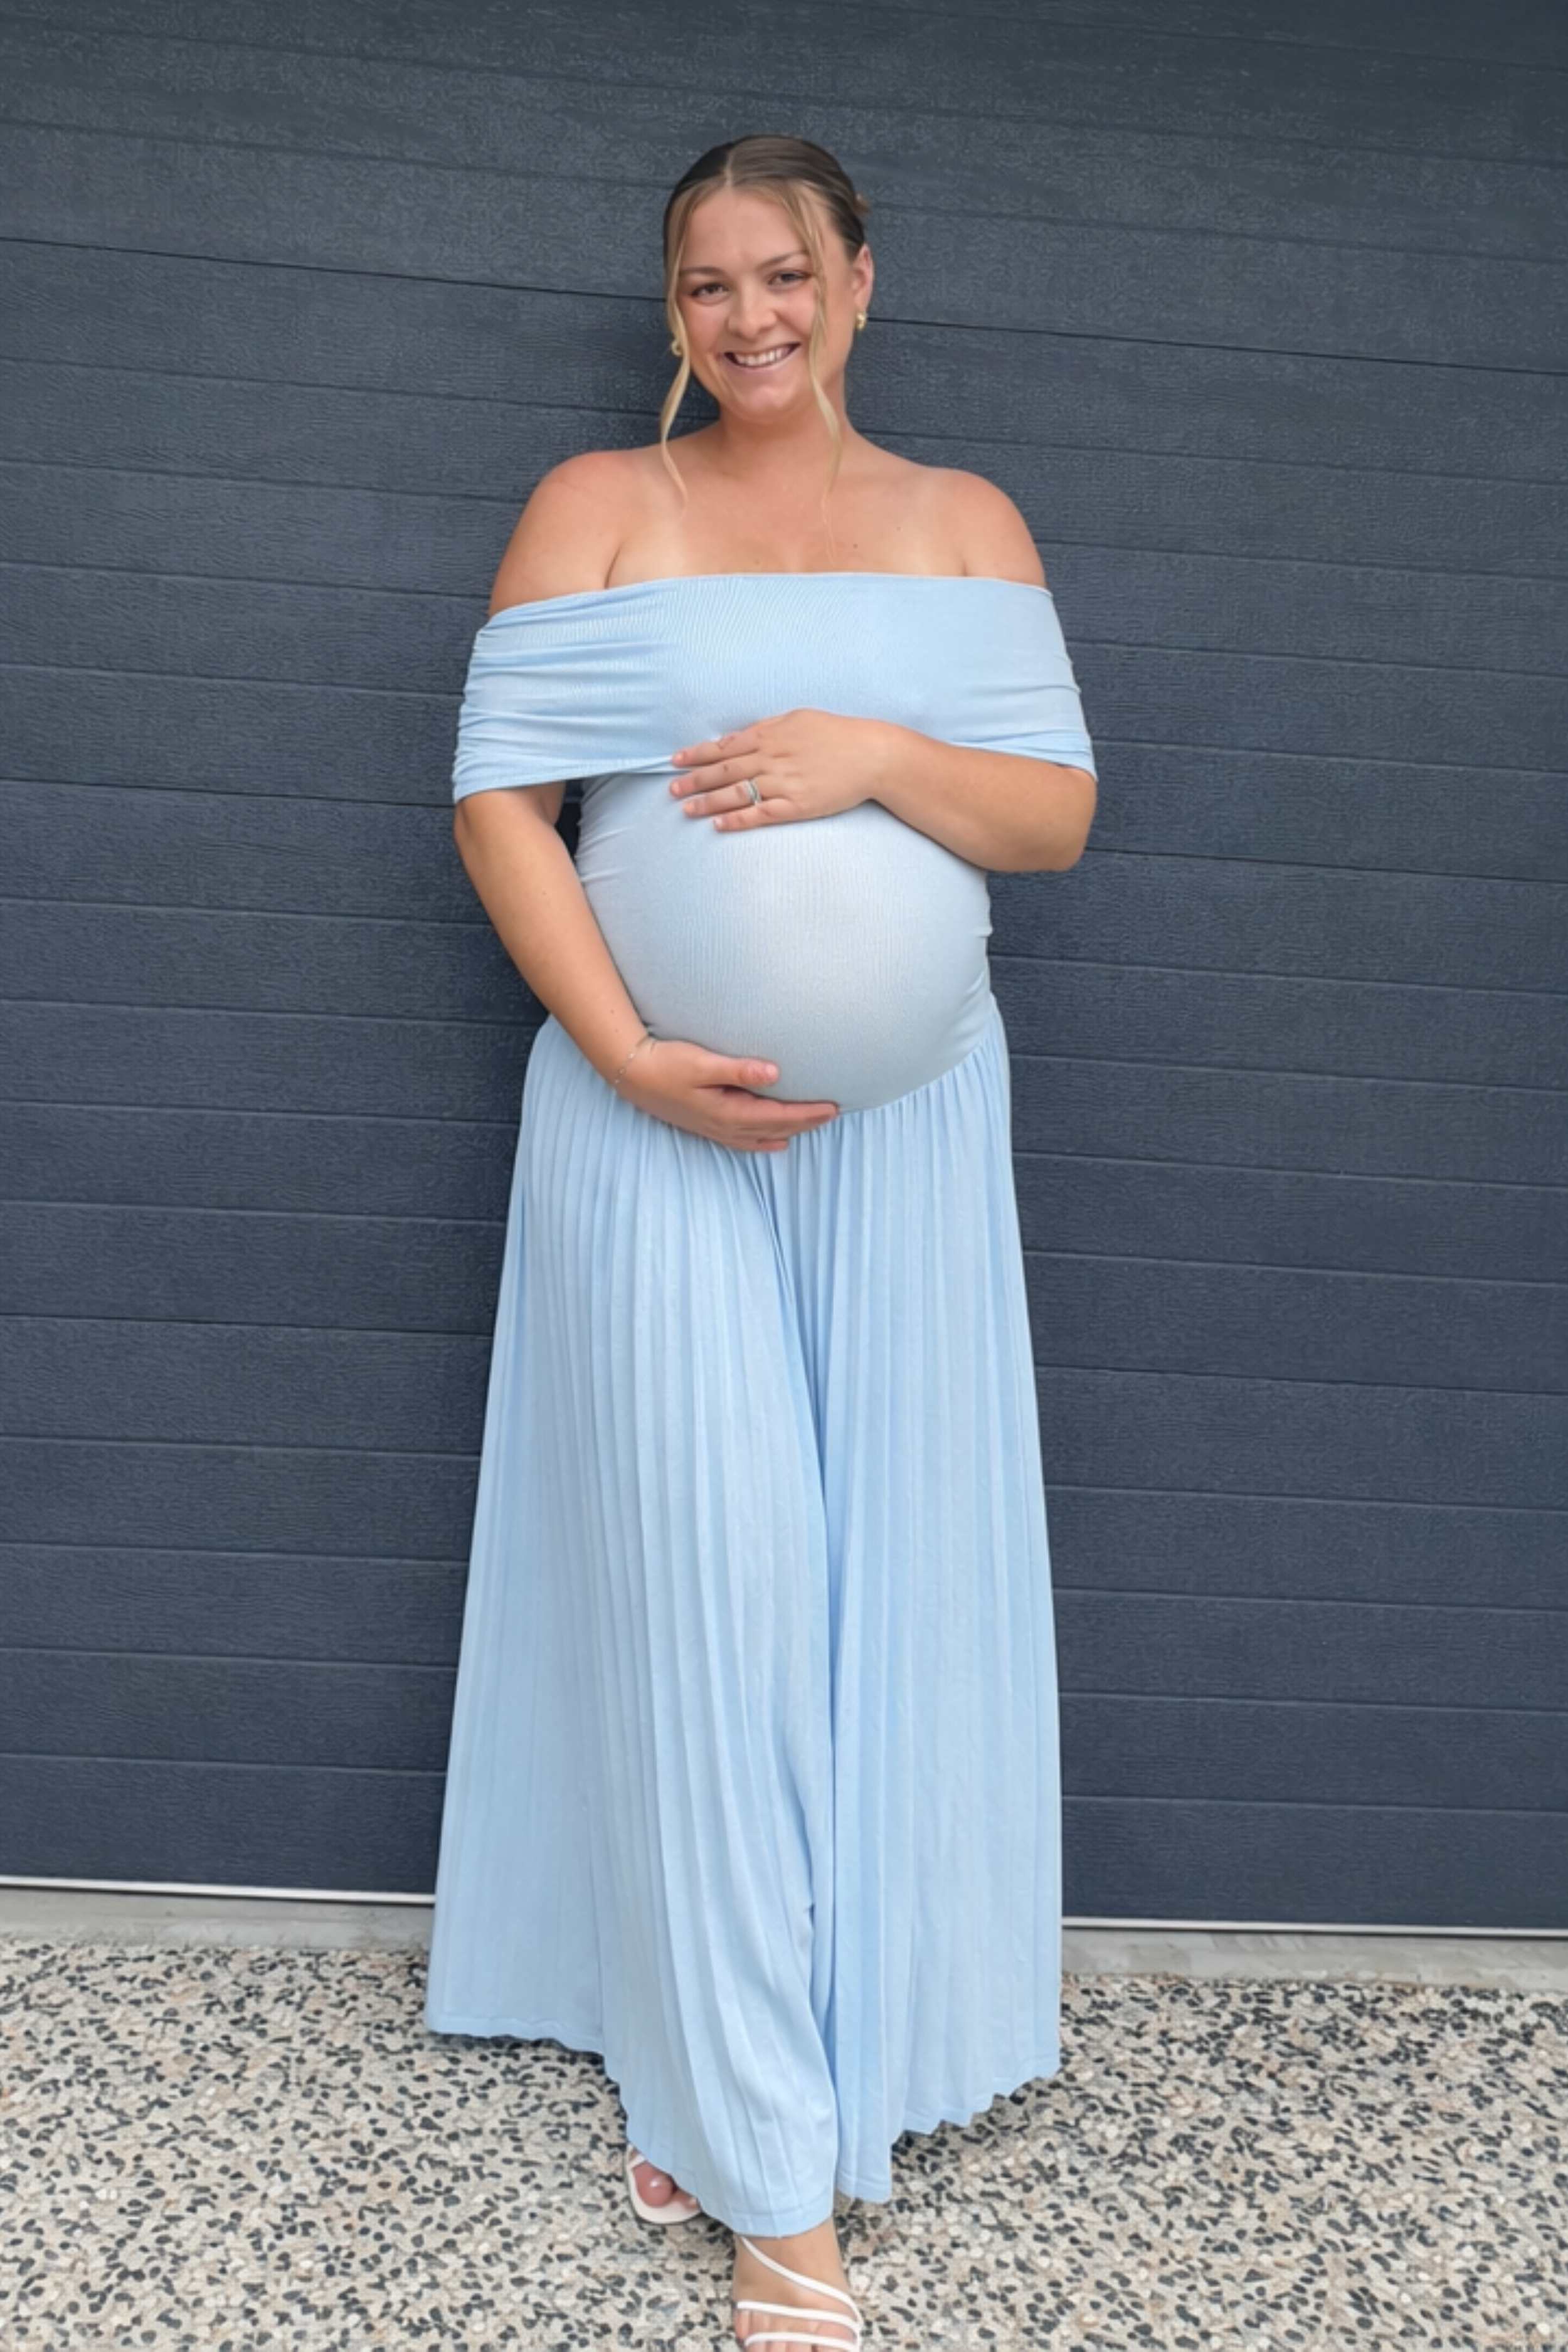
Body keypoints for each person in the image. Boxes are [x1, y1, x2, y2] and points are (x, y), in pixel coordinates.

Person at [423, 132, 1099, 2349]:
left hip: (908, 1143)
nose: (749, 318)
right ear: (675, 309)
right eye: (708, 285)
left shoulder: (965, 522)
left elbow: (1052, 818)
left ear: (857, 281)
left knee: (872, 1587)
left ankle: (814, 2039)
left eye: (783, 273)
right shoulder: (597, 506)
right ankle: (764, 2184)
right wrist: (621, 1045)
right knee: (712, 1589)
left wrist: (868, 752)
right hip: (653, 1138)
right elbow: (499, 805)